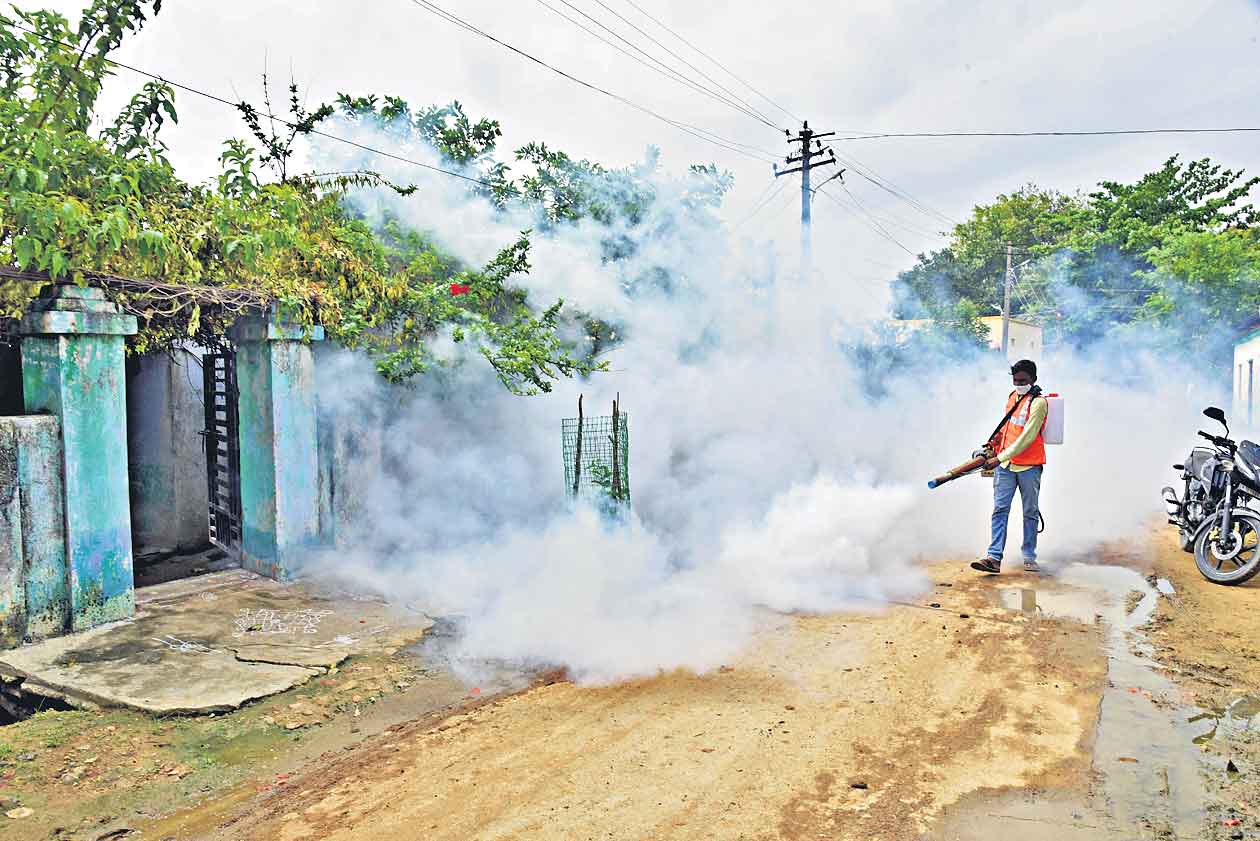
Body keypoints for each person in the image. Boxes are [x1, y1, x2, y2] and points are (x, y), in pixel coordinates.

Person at [970, 359, 1047, 575]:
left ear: (1034, 380)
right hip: (1006, 466)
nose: (1019, 384)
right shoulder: (1012, 397)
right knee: (1000, 510)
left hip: (1029, 466)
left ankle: (1029, 555)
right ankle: (994, 558)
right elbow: (1007, 428)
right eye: (1015, 380)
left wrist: (999, 457)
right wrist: (993, 442)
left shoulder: (1039, 403)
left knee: (1030, 512)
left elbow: (1027, 437)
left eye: (1023, 381)